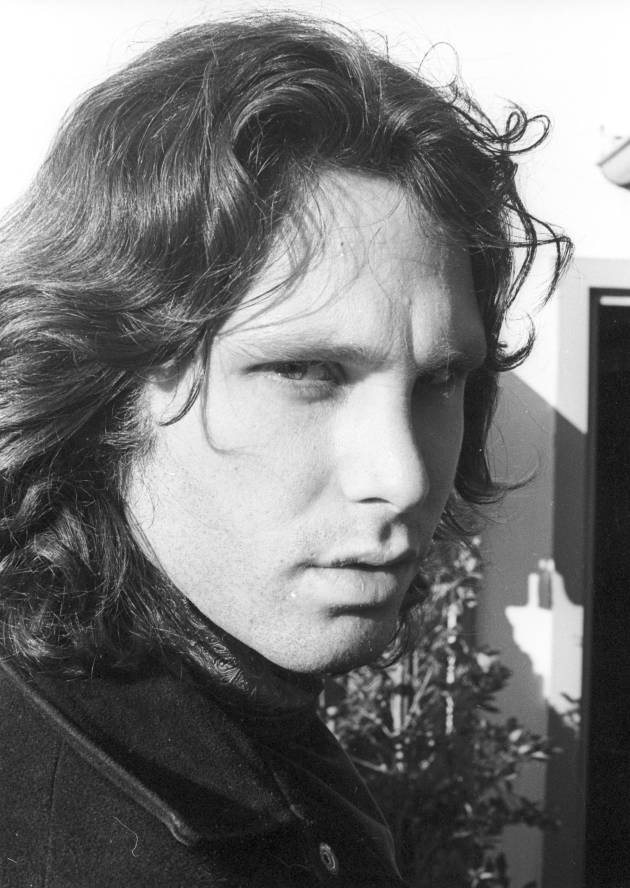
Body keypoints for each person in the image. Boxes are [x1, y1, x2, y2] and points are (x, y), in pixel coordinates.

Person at [0, 14, 570, 888]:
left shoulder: (252, 715)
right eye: (306, 372)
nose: (405, 476)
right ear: (110, 384)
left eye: (439, 380)